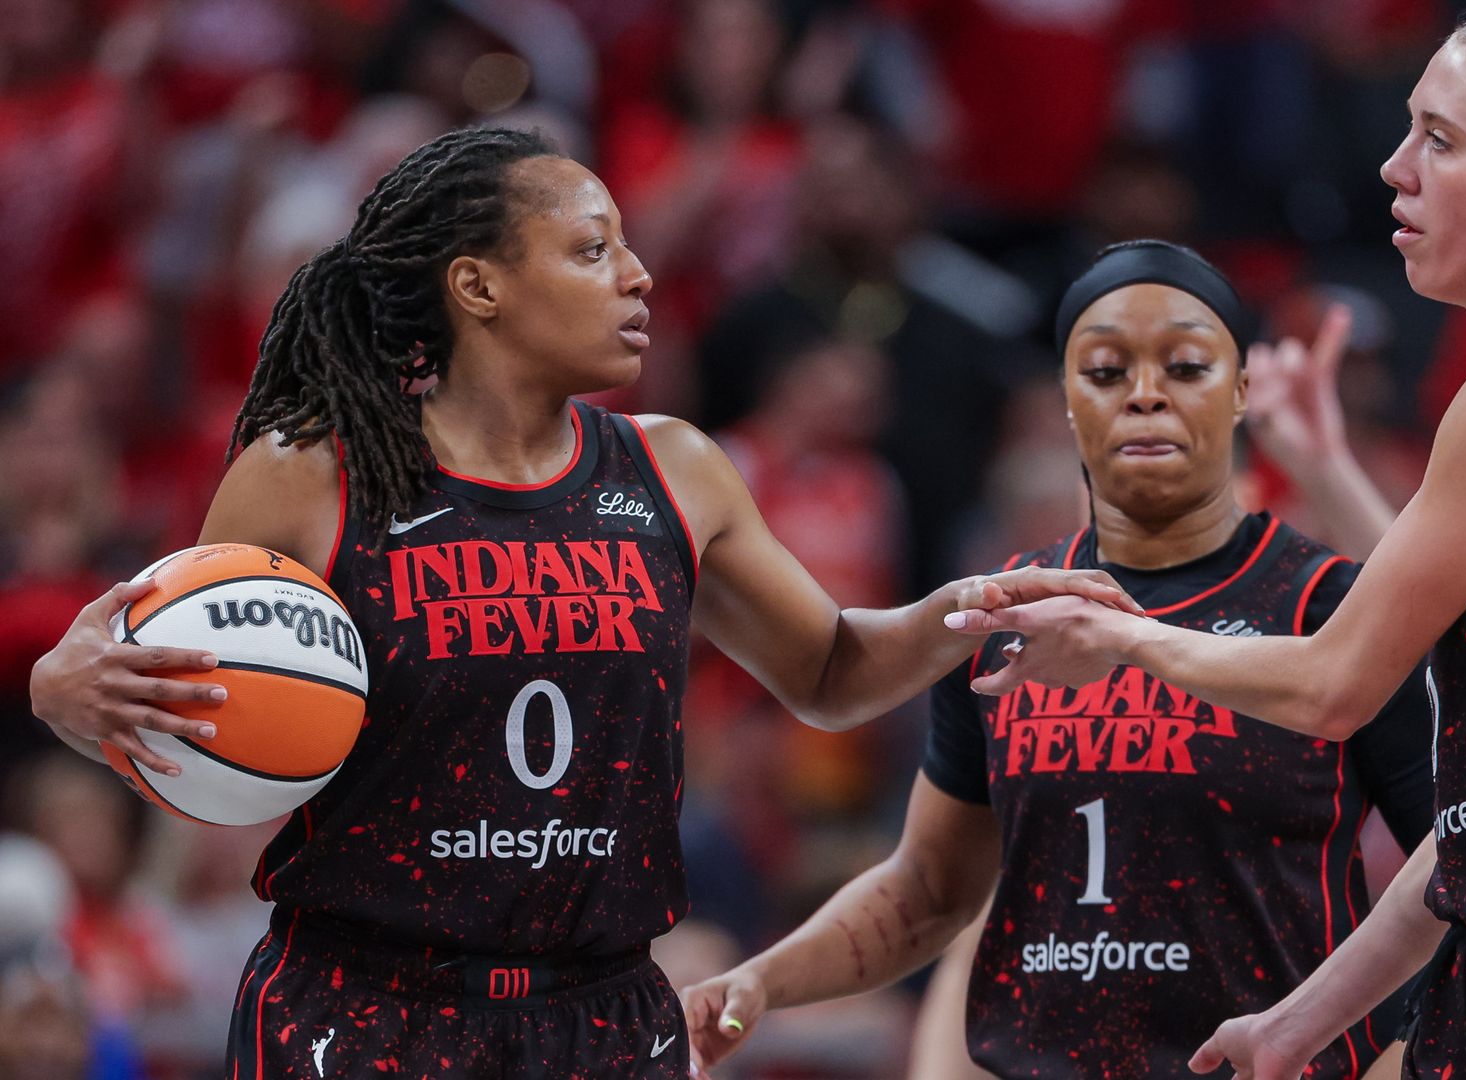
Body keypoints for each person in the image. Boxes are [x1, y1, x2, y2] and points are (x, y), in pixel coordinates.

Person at [24, 126, 1133, 1079]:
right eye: (594, 250)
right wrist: (66, 689)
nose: (641, 275)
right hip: (365, 1004)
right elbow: (183, 695)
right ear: (479, 286)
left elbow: (833, 673)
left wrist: (974, 608)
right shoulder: (315, 471)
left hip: (602, 1012)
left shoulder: (674, 470)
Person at [942, 5, 1466, 1078]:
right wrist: (1298, 1023)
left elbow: (1335, 684)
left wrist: (1122, 637)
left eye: (1440, 140)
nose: (1396, 167)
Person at [680, 240, 1434, 1078]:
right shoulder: (1006, 610)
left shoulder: (1328, 605)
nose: (1145, 396)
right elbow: (929, 888)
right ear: (1068, 402)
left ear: (1243, 393)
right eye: (1106, 372)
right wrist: (760, 981)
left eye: (1185, 366)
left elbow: (1457, 857)